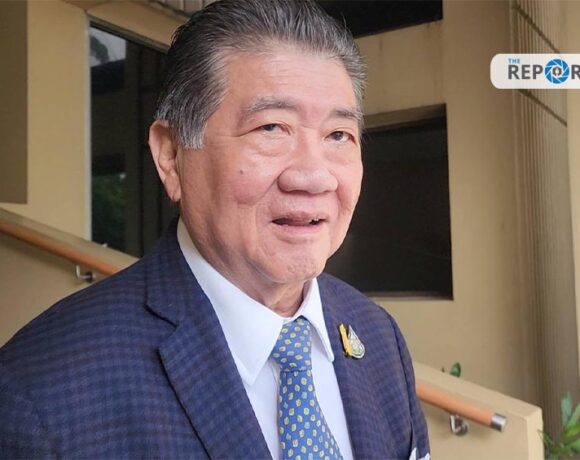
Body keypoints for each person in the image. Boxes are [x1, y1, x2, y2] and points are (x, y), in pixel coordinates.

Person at [0, 0, 429, 458]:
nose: (314, 177)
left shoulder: (378, 337)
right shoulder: (40, 395)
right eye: (271, 128)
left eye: (338, 135)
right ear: (171, 155)